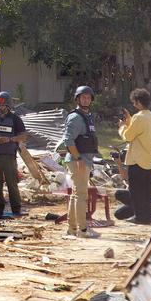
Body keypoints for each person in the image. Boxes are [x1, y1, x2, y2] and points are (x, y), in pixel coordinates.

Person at [57, 85, 101, 238]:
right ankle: (82, 230)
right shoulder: (76, 117)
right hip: (78, 160)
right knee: (81, 195)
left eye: (88, 97)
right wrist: (78, 158)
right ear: (77, 99)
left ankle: (72, 229)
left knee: (77, 194)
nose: (86, 100)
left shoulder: (86, 115)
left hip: (83, 159)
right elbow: (68, 141)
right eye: (83, 97)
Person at [0, 91, 28, 217]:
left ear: (8, 106)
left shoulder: (15, 119)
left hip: (9, 157)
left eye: (2, 106)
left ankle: (16, 209)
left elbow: (24, 136)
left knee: (12, 184)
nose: (0, 108)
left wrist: (10, 139)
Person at [118, 88, 151, 225]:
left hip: (137, 160)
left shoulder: (139, 117)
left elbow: (128, 136)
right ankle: (147, 217)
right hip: (147, 160)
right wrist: (129, 120)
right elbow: (138, 131)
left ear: (139, 102)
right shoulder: (150, 116)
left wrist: (122, 126)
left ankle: (140, 217)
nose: (134, 105)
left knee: (136, 192)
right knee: (146, 192)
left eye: (134, 102)